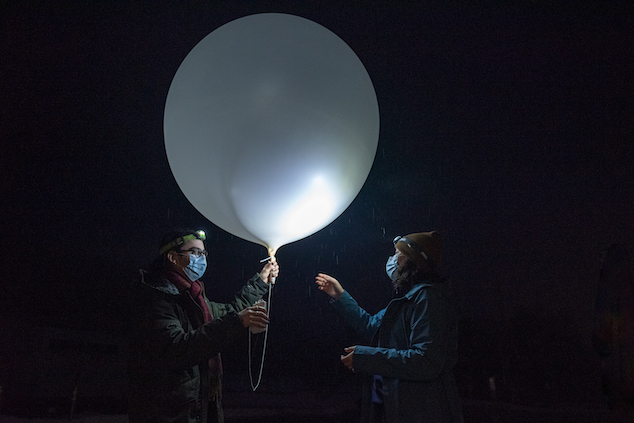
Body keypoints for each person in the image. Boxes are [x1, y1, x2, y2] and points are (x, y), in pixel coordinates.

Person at [127, 229, 279, 423]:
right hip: (167, 412)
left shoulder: (196, 299)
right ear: (173, 257)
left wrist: (261, 281)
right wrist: (237, 321)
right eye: (195, 252)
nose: (202, 258)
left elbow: (230, 311)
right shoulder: (155, 298)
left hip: (198, 408)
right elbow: (177, 349)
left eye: (203, 253)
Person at [315, 231, 462, 423]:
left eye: (398, 254)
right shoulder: (408, 300)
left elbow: (426, 361)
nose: (392, 259)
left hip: (421, 410)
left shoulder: (429, 299)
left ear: (413, 261)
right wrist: (340, 296)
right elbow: (371, 327)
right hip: (394, 406)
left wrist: (367, 358)